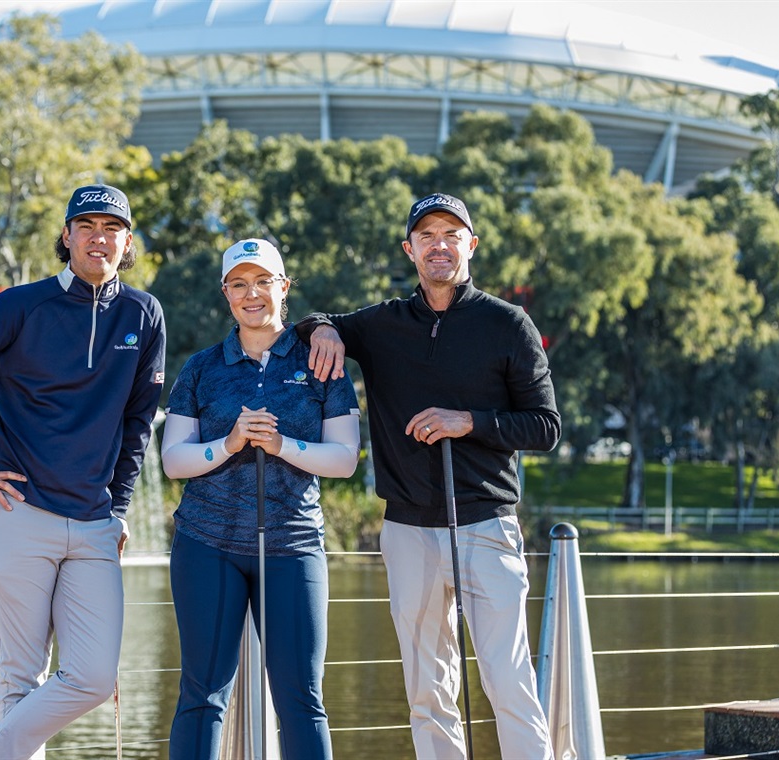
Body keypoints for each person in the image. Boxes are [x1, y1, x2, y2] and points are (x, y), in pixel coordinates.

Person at [297, 192, 560, 759]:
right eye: (426, 236)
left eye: (451, 234)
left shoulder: (507, 323)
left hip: (486, 526)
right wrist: (322, 329)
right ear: (409, 249)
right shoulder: (383, 324)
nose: (439, 245)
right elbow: (315, 321)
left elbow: (544, 426)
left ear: (471, 244)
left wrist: (468, 421)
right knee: (426, 687)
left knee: (508, 681)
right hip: (408, 530)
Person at [0, 183, 166, 760]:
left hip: (95, 523)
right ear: (67, 236)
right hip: (15, 510)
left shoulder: (144, 314)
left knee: (94, 677)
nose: (99, 237)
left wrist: (120, 507)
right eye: (87, 226)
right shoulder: (20, 305)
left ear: (127, 241)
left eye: (112, 228)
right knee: (20, 677)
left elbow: (137, 423)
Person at [160, 239, 361, 760]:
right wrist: (227, 443)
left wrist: (282, 445)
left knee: (301, 699)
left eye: (264, 281)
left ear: (284, 287)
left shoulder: (322, 362)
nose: (252, 294)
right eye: (239, 284)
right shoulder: (201, 368)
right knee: (202, 696)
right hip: (207, 545)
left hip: (293, 546)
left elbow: (344, 460)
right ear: (226, 294)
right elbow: (173, 461)